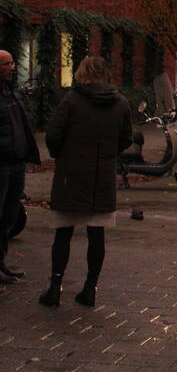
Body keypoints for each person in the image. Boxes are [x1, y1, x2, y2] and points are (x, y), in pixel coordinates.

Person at [39, 56, 131, 307]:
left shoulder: (72, 101)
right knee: (96, 233)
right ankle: (90, 288)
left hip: (71, 174)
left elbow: (53, 133)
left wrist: (62, 154)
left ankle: (55, 288)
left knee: (64, 233)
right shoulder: (120, 103)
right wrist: (109, 155)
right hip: (101, 177)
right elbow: (126, 137)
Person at [0, 49, 40, 285]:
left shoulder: (11, 93)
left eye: (13, 63)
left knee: (9, 214)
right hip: (2, 164)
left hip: (16, 163)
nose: (13, 67)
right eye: (7, 64)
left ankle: (2, 261)